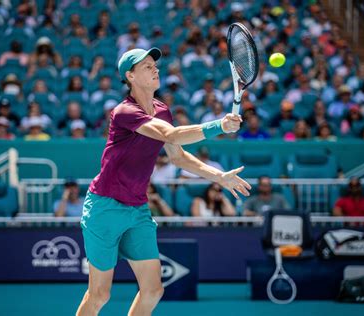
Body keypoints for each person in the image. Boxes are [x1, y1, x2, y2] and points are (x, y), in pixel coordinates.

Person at [77, 47, 250, 316]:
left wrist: (219, 176)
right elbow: (174, 135)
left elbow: (178, 157)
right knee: (100, 295)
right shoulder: (124, 112)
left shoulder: (162, 110)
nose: (155, 68)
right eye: (146, 66)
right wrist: (219, 126)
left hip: (137, 209)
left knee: (154, 289)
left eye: (154, 64)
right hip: (105, 208)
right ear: (130, 76)